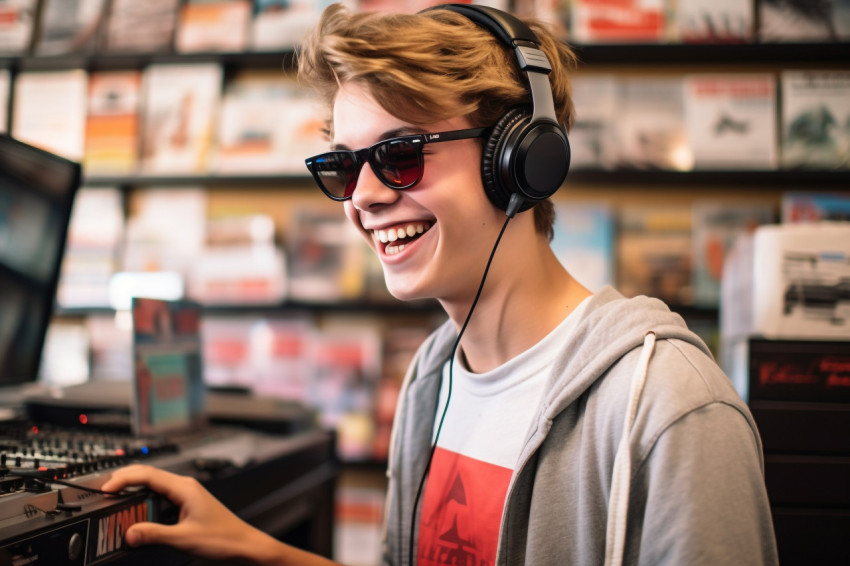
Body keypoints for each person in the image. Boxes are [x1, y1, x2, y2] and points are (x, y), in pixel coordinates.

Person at [102, 3, 780, 565]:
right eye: (344, 165)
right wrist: (259, 549)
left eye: (399, 155)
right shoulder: (433, 376)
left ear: (519, 161)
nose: (361, 198)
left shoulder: (669, 409)